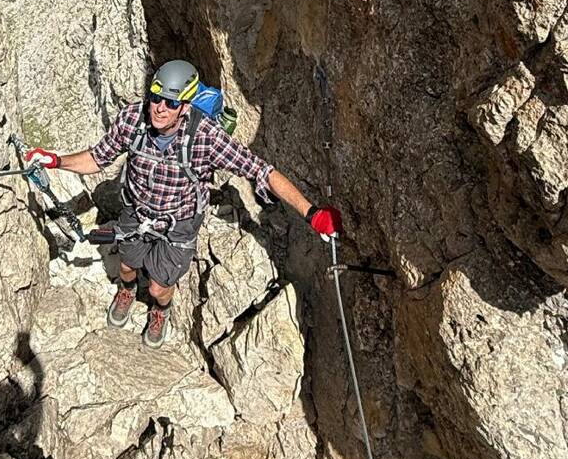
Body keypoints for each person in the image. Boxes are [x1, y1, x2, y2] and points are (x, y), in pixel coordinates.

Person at [26, 60, 341, 348]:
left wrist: (311, 213)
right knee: (126, 265)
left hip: (178, 225)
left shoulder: (206, 137)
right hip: (136, 211)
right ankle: (125, 291)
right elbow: (97, 158)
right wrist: (54, 161)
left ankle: (159, 311)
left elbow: (261, 171)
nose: (159, 108)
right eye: (155, 97)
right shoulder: (132, 120)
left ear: (185, 106)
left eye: (171, 102)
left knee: (159, 288)